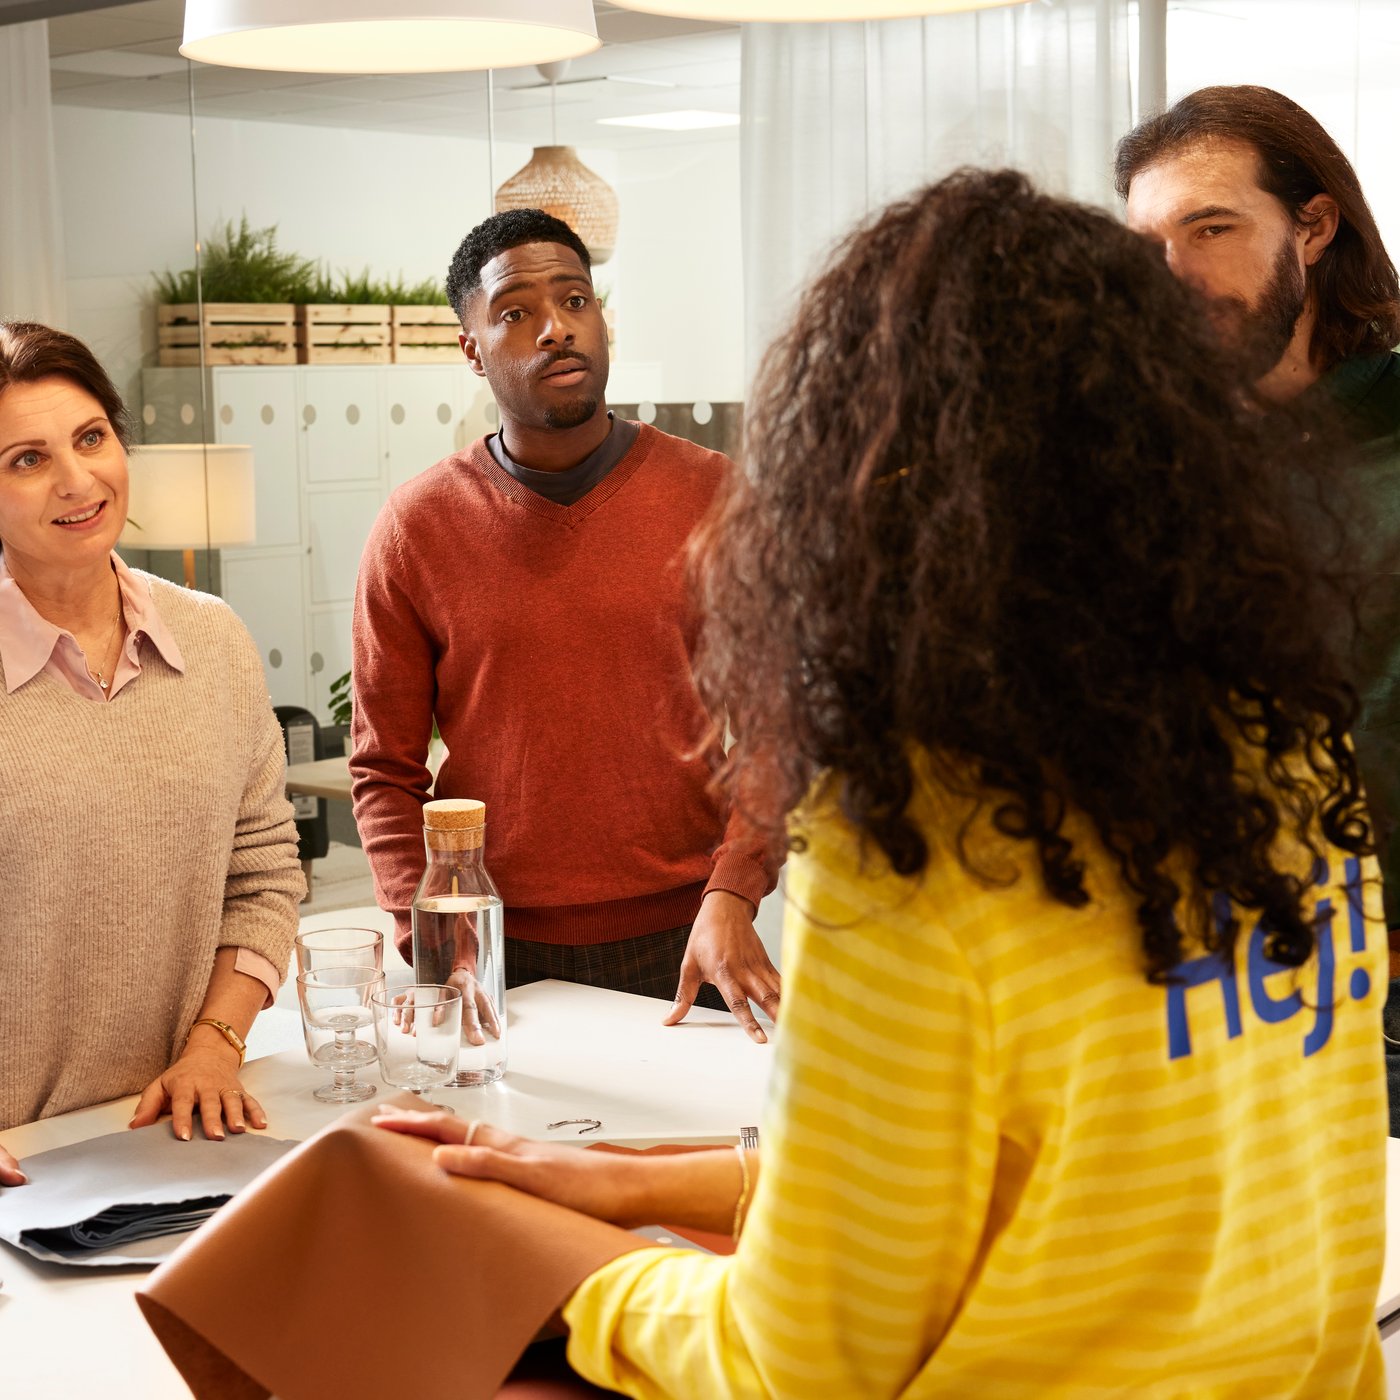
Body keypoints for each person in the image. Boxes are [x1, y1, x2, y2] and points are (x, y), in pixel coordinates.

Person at [377, 171, 1386, 1394]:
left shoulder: (923, 839)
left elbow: (795, 1363)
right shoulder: (1286, 756)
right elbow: (1047, 1183)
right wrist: (631, 1179)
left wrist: (566, 1271)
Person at [350, 208, 780, 1040]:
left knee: (696, 1165)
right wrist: (428, 936)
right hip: (492, 953)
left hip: (691, 937)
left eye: (576, 300)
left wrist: (734, 889)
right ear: (471, 347)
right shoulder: (417, 528)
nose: (557, 329)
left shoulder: (714, 495)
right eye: (516, 313)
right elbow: (384, 772)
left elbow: (775, 730)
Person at [1114, 83, 1400, 1130]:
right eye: (1146, 244)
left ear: (1312, 228)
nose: (1175, 273)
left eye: (1211, 227)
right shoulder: (1162, 464)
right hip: (1227, 986)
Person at [0, 322, 303, 1187]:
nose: (77, 480)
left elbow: (263, 871)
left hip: (181, 1132)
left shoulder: (213, 639)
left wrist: (218, 1042)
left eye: (91, 438)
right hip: (18, 1164)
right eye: (26, 459)